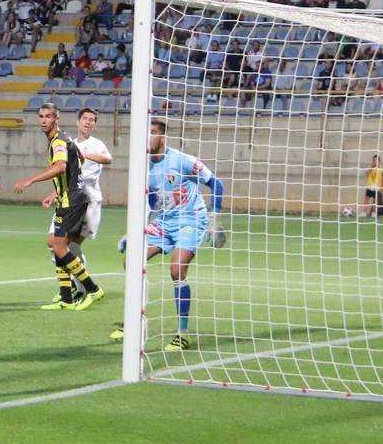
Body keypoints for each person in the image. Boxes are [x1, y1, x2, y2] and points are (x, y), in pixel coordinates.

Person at [125, 117, 225, 351]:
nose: (147, 136)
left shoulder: (182, 161)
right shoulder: (143, 166)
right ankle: (137, 322)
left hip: (191, 219)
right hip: (165, 221)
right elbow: (152, 202)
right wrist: (132, 232)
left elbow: (216, 184)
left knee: (177, 269)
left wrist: (214, 219)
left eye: (152, 132)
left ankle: (182, 333)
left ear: (162, 137)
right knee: (131, 260)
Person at [13, 103, 104, 311]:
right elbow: (77, 157)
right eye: (41, 116)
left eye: (48, 116)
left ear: (57, 118)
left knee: (60, 247)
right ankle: (66, 297)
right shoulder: (64, 139)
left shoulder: (58, 142)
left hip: (71, 201)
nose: (43, 120)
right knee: (54, 244)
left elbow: (61, 166)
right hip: (69, 198)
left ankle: (92, 288)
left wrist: (31, 181)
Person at [44, 108, 112, 297]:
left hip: (89, 201)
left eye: (92, 120)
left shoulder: (96, 144)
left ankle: (80, 289)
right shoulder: (69, 143)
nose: (88, 122)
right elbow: (67, 174)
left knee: (67, 245)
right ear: (77, 122)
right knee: (54, 243)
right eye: (85, 119)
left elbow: (108, 158)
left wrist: (84, 154)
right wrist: (53, 193)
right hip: (68, 198)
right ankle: (74, 288)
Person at [362, 154, 383, 218]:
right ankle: (364, 212)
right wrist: (371, 167)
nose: (375, 162)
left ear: (379, 162)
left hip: (377, 188)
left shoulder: (381, 170)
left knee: (375, 201)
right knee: (366, 200)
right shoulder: (371, 169)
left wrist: (381, 188)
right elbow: (366, 174)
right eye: (374, 160)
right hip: (370, 187)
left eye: (376, 160)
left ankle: (374, 213)